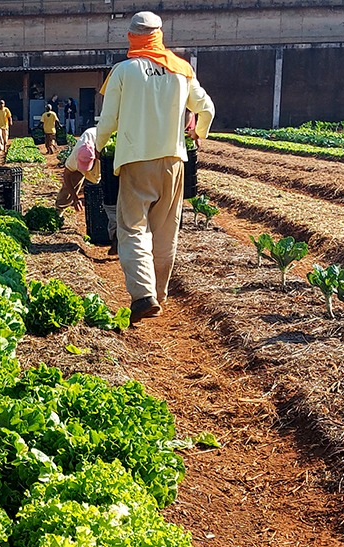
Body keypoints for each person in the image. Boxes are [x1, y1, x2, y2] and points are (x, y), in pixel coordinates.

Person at [96, 11, 214, 324]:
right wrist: (197, 132)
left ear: (132, 37)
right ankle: (160, 295)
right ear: (160, 34)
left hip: (136, 161)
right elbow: (207, 109)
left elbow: (108, 121)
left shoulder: (123, 71)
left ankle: (143, 294)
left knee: (133, 227)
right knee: (165, 231)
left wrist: (96, 147)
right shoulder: (182, 69)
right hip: (174, 162)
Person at [54, 125, 99, 213]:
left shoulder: (101, 154)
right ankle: (59, 208)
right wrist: (75, 198)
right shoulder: (75, 157)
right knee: (71, 182)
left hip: (99, 153)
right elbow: (67, 175)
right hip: (84, 155)